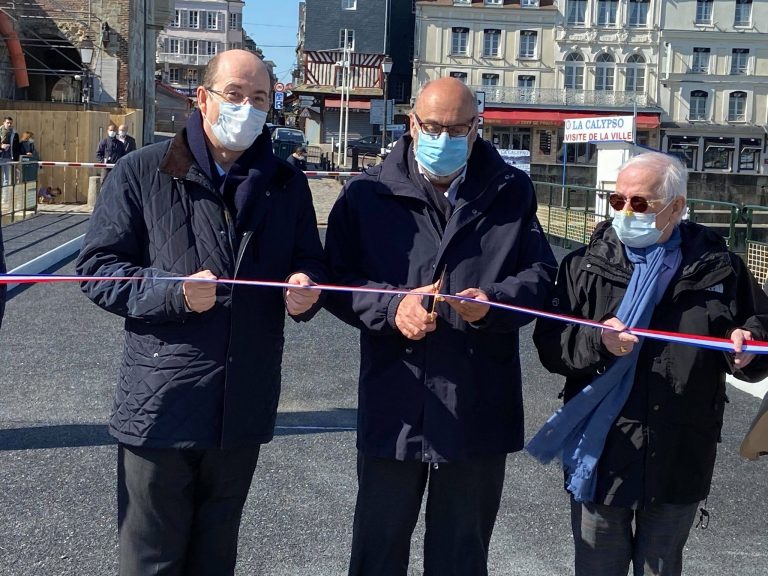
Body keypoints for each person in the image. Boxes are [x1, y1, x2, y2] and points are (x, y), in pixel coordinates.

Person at [75, 49, 326, 575]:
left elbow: (307, 260)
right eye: (235, 95)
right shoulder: (142, 170)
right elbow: (97, 270)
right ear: (203, 98)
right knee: (151, 560)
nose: (247, 108)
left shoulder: (287, 183)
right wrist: (173, 293)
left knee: (217, 559)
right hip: (160, 404)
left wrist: (306, 289)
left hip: (243, 403)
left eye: (260, 98)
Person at [324, 77, 557, 576]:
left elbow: (540, 274)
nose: (444, 138)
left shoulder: (511, 189)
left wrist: (494, 303)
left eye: (457, 128)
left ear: (477, 127)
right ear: (412, 123)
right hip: (397, 397)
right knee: (377, 546)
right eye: (432, 126)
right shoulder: (367, 192)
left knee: (462, 552)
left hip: (477, 398)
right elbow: (336, 281)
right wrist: (392, 308)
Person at [529, 152, 768, 576]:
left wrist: (748, 344)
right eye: (616, 200)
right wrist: (599, 341)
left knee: (661, 566)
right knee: (597, 564)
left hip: (681, 446)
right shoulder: (584, 265)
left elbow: (758, 330)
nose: (624, 211)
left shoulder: (721, 269)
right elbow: (551, 346)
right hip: (602, 449)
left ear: (676, 206)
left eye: (639, 203)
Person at [0, 116, 20, 186]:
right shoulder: (0, 131)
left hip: (8, 157)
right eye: (7, 123)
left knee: (6, 179)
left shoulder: (14, 134)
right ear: (4, 123)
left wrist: (16, 160)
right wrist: (1, 146)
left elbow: (17, 148)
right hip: (1, 156)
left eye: (10, 123)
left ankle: (4, 196)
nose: (9, 125)